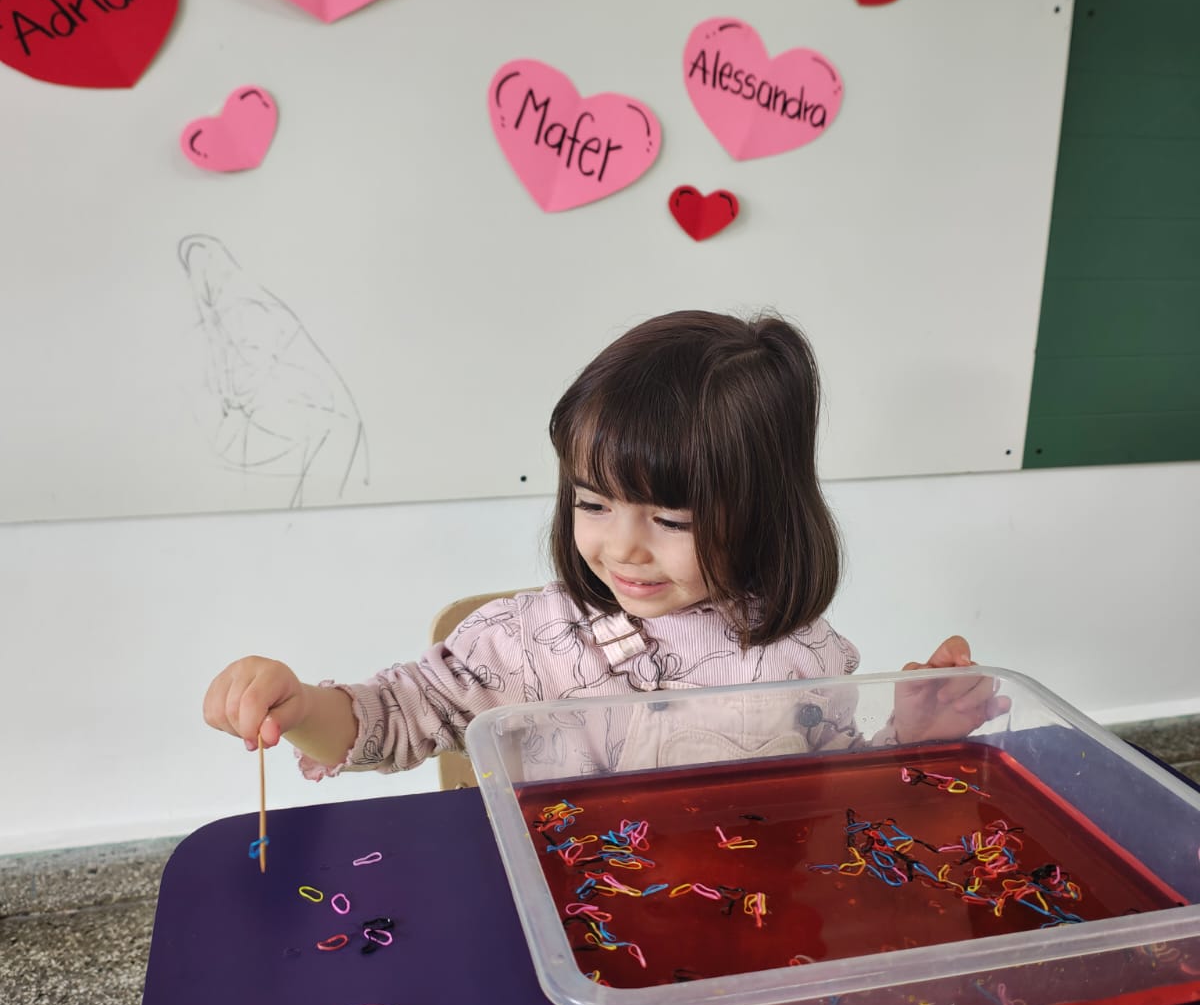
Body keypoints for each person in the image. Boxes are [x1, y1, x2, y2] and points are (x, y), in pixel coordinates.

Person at [203, 310, 1005, 781]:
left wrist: (911, 739)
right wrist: (300, 707)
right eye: (593, 503)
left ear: (764, 514)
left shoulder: (804, 654)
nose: (624, 548)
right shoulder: (523, 644)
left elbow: (827, 790)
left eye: (672, 521)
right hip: (557, 932)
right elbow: (395, 719)